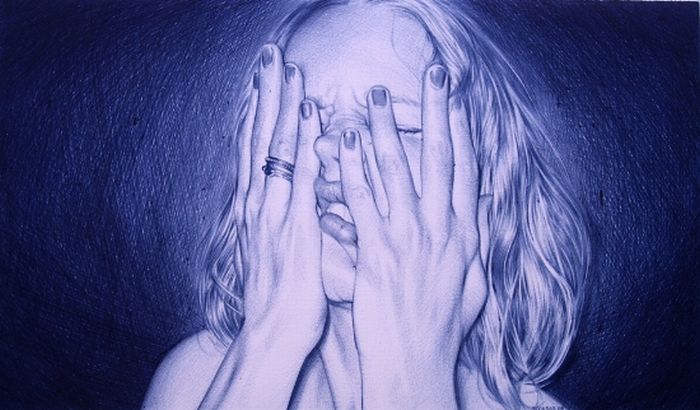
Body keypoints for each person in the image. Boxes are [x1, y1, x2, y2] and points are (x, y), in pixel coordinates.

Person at [144, 0, 590, 408]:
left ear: (484, 179)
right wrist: (271, 334)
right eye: (301, 118)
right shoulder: (196, 381)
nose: (329, 147)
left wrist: (413, 373)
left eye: (399, 126)